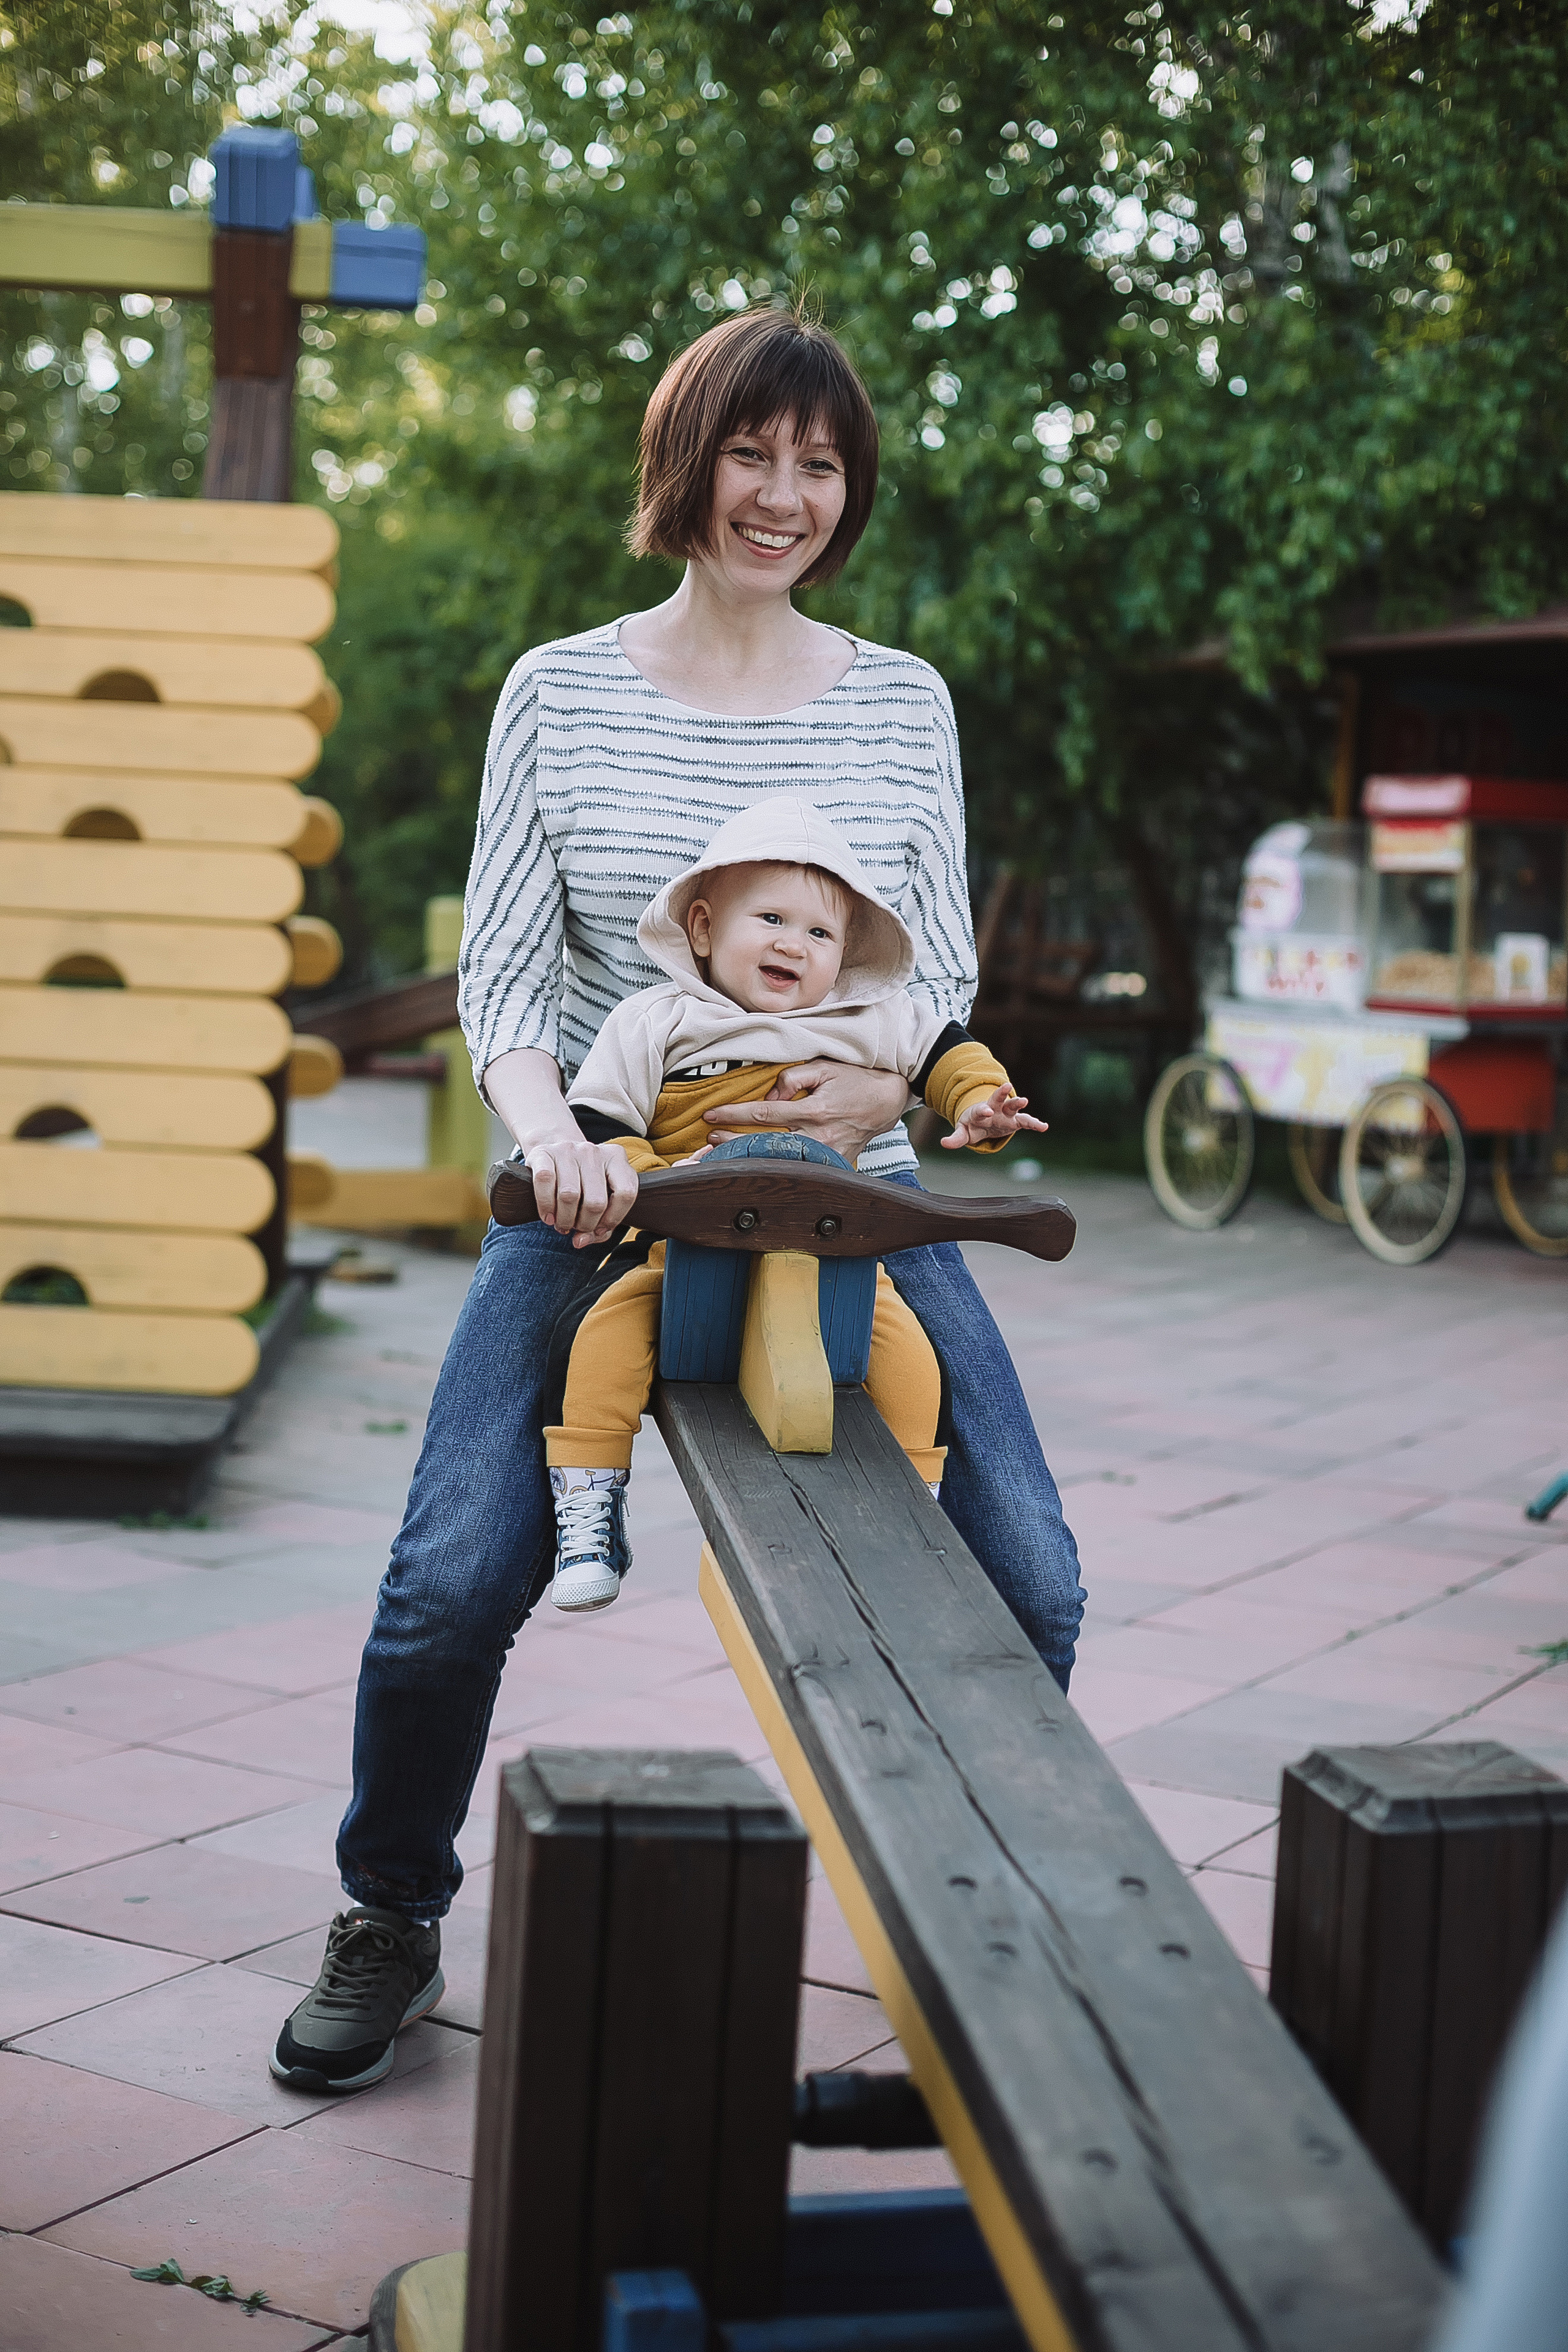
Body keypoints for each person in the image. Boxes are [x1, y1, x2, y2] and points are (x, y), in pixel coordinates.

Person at [270, 301, 1087, 2096]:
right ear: (687, 460)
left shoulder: (900, 702)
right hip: (611, 1186)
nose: (783, 495)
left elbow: (931, 975)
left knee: (1028, 1569)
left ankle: (985, 1941)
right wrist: (547, 1128)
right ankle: (389, 1910)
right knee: (447, 1578)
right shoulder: (560, 689)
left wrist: (900, 1086)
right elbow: (500, 978)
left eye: (818, 464)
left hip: (848, 1194)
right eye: (751, 452)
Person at [543, 793, 1048, 1610]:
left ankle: (911, 1519)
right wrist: (648, 1184)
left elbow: (943, 1049)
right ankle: (589, 1506)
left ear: (845, 957)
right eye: (770, 918)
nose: (793, 943)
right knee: (601, 1337)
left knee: (910, 1358)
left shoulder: (861, 1020)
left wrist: (982, 1104)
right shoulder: (658, 1021)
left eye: (819, 933)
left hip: (830, 1247)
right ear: (703, 929)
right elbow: (598, 1117)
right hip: (686, 1242)